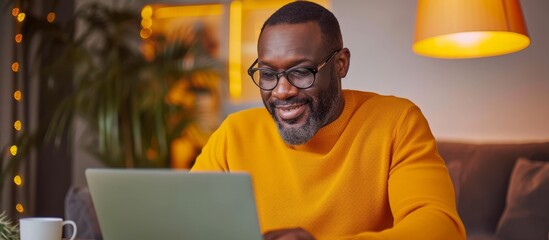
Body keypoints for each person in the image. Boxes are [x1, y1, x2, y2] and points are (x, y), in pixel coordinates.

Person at [191, 1, 466, 239]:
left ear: (340, 64)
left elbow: (441, 229)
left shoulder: (397, 122)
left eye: (300, 71)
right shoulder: (234, 134)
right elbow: (185, 222)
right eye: (267, 74)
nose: (282, 91)